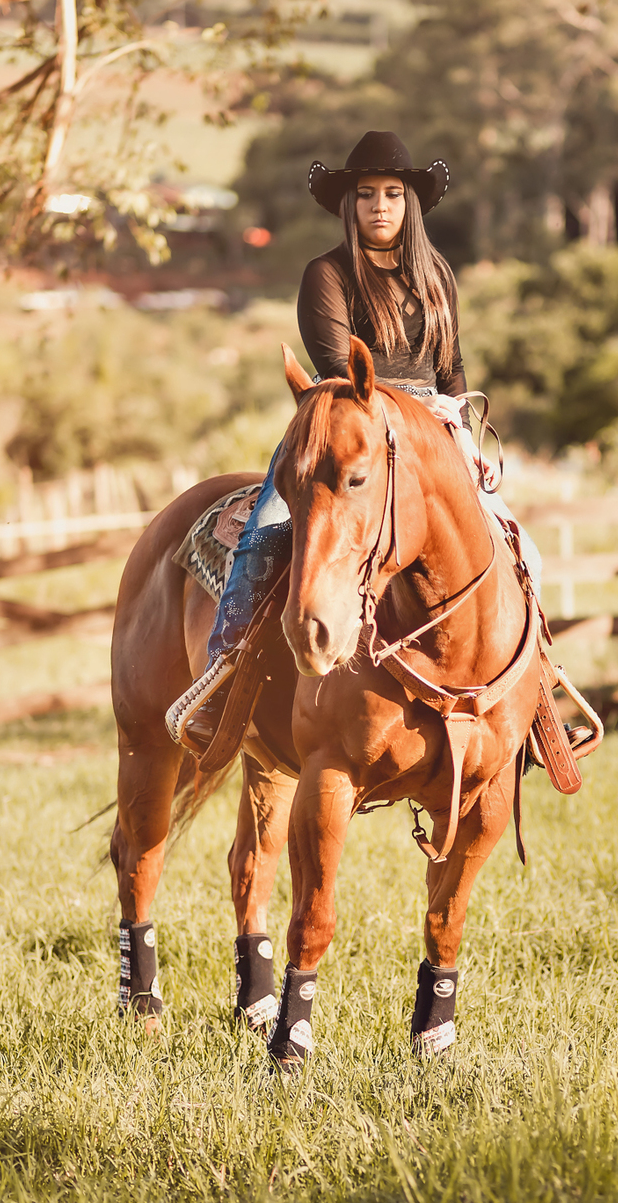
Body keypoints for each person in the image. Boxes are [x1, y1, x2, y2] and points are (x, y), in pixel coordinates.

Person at [178, 129, 543, 753]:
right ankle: (222, 674)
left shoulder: (437, 275)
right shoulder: (326, 274)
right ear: (349, 204)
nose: (381, 205)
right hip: (344, 431)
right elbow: (338, 370)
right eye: (368, 193)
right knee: (267, 528)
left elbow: (452, 367)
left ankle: (536, 695)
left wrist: (462, 432)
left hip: (432, 435)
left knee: (516, 544)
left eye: (394, 194)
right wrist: (406, 411)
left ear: (411, 204)